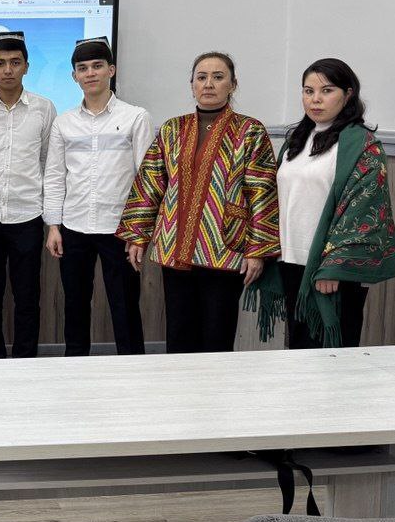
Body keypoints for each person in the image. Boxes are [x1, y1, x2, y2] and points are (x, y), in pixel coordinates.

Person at [117, 51, 279, 354]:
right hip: (175, 246)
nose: (209, 84)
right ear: (192, 84)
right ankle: (178, 385)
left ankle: (216, 386)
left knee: (217, 336)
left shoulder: (250, 131)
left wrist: (257, 249)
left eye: (218, 77)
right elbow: (151, 182)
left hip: (225, 246)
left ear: (233, 84)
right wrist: (137, 235)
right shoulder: (172, 129)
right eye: (201, 77)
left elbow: (262, 192)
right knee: (179, 334)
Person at [246, 59, 395, 348]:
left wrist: (334, 267)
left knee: (331, 354)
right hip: (292, 261)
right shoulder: (297, 140)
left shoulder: (362, 145)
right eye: (308, 91)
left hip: (331, 270)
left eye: (326, 91)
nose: (315, 99)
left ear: (348, 94)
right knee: (300, 351)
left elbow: (362, 211)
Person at [43, 37, 153, 356]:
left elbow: (146, 179)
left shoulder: (135, 117)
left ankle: (132, 370)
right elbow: (55, 176)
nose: (90, 73)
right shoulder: (64, 123)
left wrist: (139, 232)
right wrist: (53, 226)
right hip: (74, 227)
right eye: (83, 68)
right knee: (75, 307)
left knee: (125, 307)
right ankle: (75, 370)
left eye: (97, 66)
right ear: (74, 76)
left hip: (119, 230)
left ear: (111, 70)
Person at [0, 30, 56, 358]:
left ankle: (24, 365)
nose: (7, 70)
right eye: (0, 63)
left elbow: (47, 162)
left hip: (27, 215)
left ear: (26, 67)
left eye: (15, 63)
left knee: (27, 298)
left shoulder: (44, 109)